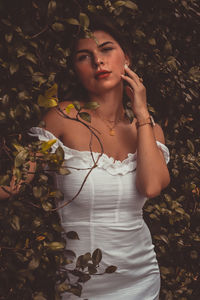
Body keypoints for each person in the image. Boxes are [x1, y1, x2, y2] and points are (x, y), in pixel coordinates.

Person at [2, 16, 170, 299]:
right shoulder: (61, 118)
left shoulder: (149, 129)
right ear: (76, 68)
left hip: (142, 278)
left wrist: (142, 114)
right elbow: (13, 184)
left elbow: (151, 187)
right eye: (84, 56)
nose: (98, 61)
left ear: (126, 57)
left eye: (106, 49)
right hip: (82, 285)